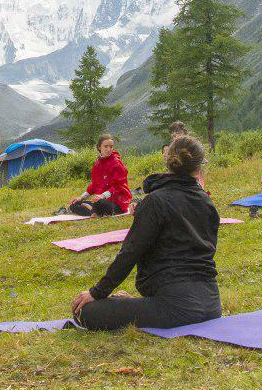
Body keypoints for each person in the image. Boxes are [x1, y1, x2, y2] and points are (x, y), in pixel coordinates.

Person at [71, 135, 221, 331]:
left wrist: (97, 292)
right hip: (211, 305)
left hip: (175, 308)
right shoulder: (207, 203)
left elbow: (130, 252)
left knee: (84, 311)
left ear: (169, 162)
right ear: (199, 167)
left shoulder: (156, 201)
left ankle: (147, 306)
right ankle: (145, 304)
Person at [68, 135, 131, 217]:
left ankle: (93, 211)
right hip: (102, 200)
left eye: (111, 147)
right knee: (74, 204)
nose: (109, 149)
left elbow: (118, 186)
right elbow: (94, 185)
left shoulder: (116, 163)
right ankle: (94, 212)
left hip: (118, 203)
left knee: (99, 203)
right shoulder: (97, 164)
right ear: (99, 147)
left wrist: (102, 196)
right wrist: (81, 197)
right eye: (106, 146)